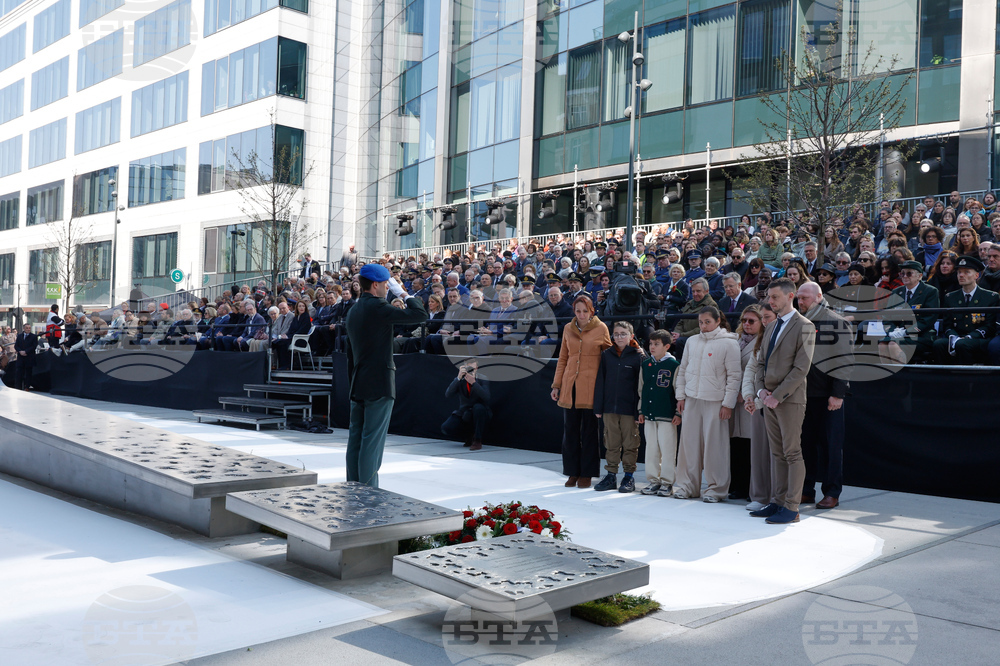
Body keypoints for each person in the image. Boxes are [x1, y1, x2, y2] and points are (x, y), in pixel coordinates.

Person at [345, 263, 428, 487]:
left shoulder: (353, 310)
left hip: (358, 381)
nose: (386, 288)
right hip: (379, 382)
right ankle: (369, 494)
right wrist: (402, 291)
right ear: (375, 284)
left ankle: (352, 487)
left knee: (356, 440)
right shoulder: (378, 307)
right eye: (384, 284)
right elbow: (420, 315)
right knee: (372, 441)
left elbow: (350, 354)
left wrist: (352, 381)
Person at [749, 278, 815, 525]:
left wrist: (776, 396)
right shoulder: (772, 326)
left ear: (790, 296)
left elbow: (801, 368)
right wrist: (761, 393)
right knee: (777, 453)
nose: (770, 301)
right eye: (769, 297)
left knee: (792, 453)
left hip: (790, 400)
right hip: (769, 399)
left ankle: (792, 507)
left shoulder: (804, 326)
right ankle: (777, 502)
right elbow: (760, 364)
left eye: (775, 297)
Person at [673, 306, 742, 502]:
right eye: (701, 322)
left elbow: (734, 376)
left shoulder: (729, 343)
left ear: (718, 321)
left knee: (715, 447)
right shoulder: (692, 341)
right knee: (688, 446)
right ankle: (687, 486)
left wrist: (728, 404)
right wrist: (681, 397)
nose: (703, 326)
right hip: (692, 400)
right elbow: (683, 369)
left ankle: (716, 489)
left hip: (715, 402)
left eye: (707, 322)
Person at [796, 282, 851, 510]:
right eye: (798, 298)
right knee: (804, 445)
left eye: (805, 298)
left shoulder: (836, 322)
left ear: (819, 297)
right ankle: (806, 490)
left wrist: (837, 394)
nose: (800, 302)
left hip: (828, 396)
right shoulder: (797, 322)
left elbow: (845, 360)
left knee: (830, 446)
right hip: (803, 395)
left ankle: (831, 492)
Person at [551, 295, 612, 489]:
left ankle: (587, 473)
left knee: (589, 432)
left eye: (585, 311)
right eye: (578, 311)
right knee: (570, 432)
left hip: (591, 386)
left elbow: (609, 356)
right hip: (570, 386)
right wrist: (556, 385)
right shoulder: (568, 329)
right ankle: (572, 472)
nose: (581, 314)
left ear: (591, 311)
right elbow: (562, 358)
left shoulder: (601, 328)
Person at [593, 321, 646, 493]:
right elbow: (600, 381)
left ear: (631, 336)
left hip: (629, 409)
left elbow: (642, 384)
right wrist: (598, 407)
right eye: (616, 334)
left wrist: (640, 409)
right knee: (611, 442)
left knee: (631, 442)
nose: (619, 337)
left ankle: (629, 477)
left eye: (623, 334)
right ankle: (611, 475)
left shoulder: (638, 356)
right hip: (609, 408)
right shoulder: (607, 355)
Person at [933, 255, 999, 364]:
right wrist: (953, 337)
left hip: (979, 338)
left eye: (966, 272)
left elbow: (989, 326)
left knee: (962, 344)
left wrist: (970, 336)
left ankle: (966, 378)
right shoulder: (950, 297)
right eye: (959, 272)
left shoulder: (990, 297)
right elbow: (948, 324)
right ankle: (943, 377)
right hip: (957, 336)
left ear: (976, 275)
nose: (961, 275)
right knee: (939, 344)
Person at [881, 260, 941, 361]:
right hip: (898, 334)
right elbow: (887, 317)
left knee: (893, 344)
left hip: (921, 335)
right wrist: (891, 331)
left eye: (909, 273)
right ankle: (889, 375)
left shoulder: (930, 291)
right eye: (902, 273)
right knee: (882, 344)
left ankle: (900, 375)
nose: (904, 276)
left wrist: (906, 332)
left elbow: (928, 319)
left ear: (919, 276)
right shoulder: (897, 292)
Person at [441, 359, 491, 451]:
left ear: (476, 368)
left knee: (478, 408)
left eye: (472, 368)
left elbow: (486, 397)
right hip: (465, 411)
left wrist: (474, 383)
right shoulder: (460, 380)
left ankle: (477, 440)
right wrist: (458, 377)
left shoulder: (482, 378)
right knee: (446, 428)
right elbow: (448, 394)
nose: (470, 371)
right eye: (468, 368)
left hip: (480, 410)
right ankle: (468, 436)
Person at [13, 323, 38, 390]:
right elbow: (16, 345)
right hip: (21, 357)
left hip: (29, 357)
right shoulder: (19, 336)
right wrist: (20, 351)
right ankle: (18, 386)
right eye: (26, 328)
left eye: (29, 328)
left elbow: (34, 346)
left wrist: (26, 351)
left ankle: (27, 386)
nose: (28, 329)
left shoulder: (34, 336)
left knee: (28, 373)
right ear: (24, 328)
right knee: (19, 372)